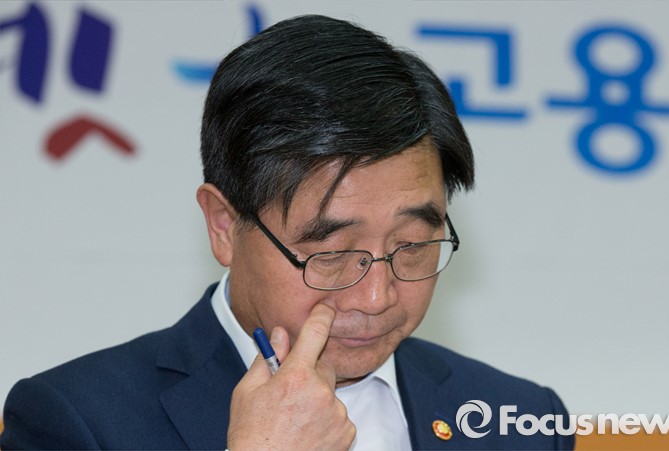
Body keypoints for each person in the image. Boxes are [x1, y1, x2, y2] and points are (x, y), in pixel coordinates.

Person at [1, 15, 574, 450]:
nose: (376, 296)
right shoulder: (77, 421)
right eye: (333, 253)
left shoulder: (521, 418)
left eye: (411, 246)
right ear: (224, 225)